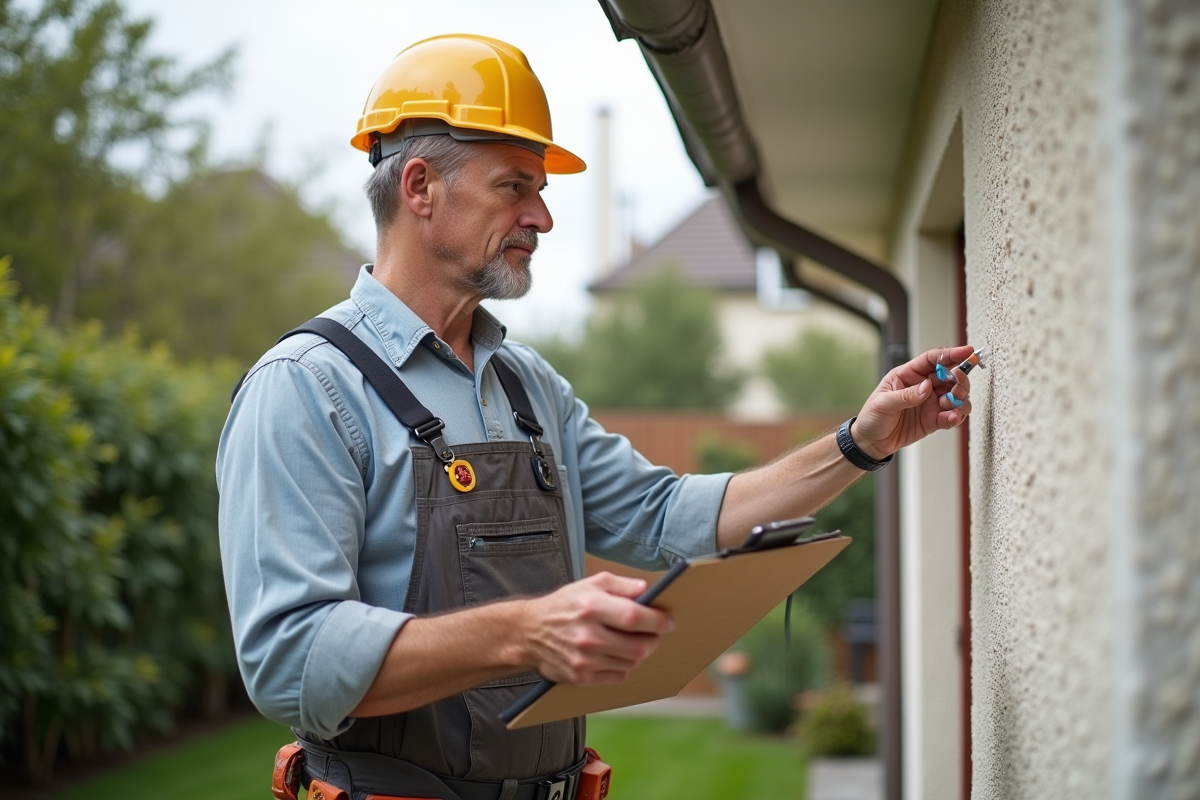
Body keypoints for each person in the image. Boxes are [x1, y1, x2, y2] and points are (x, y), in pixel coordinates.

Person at [216, 34, 974, 800]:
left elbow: (666, 517)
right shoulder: (307, 389)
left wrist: (859, 443)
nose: (542, 217)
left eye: (540, 190)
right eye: (515, 186)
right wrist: (524, 632)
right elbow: (289, 660)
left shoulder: (526, 388)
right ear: (420, 187)